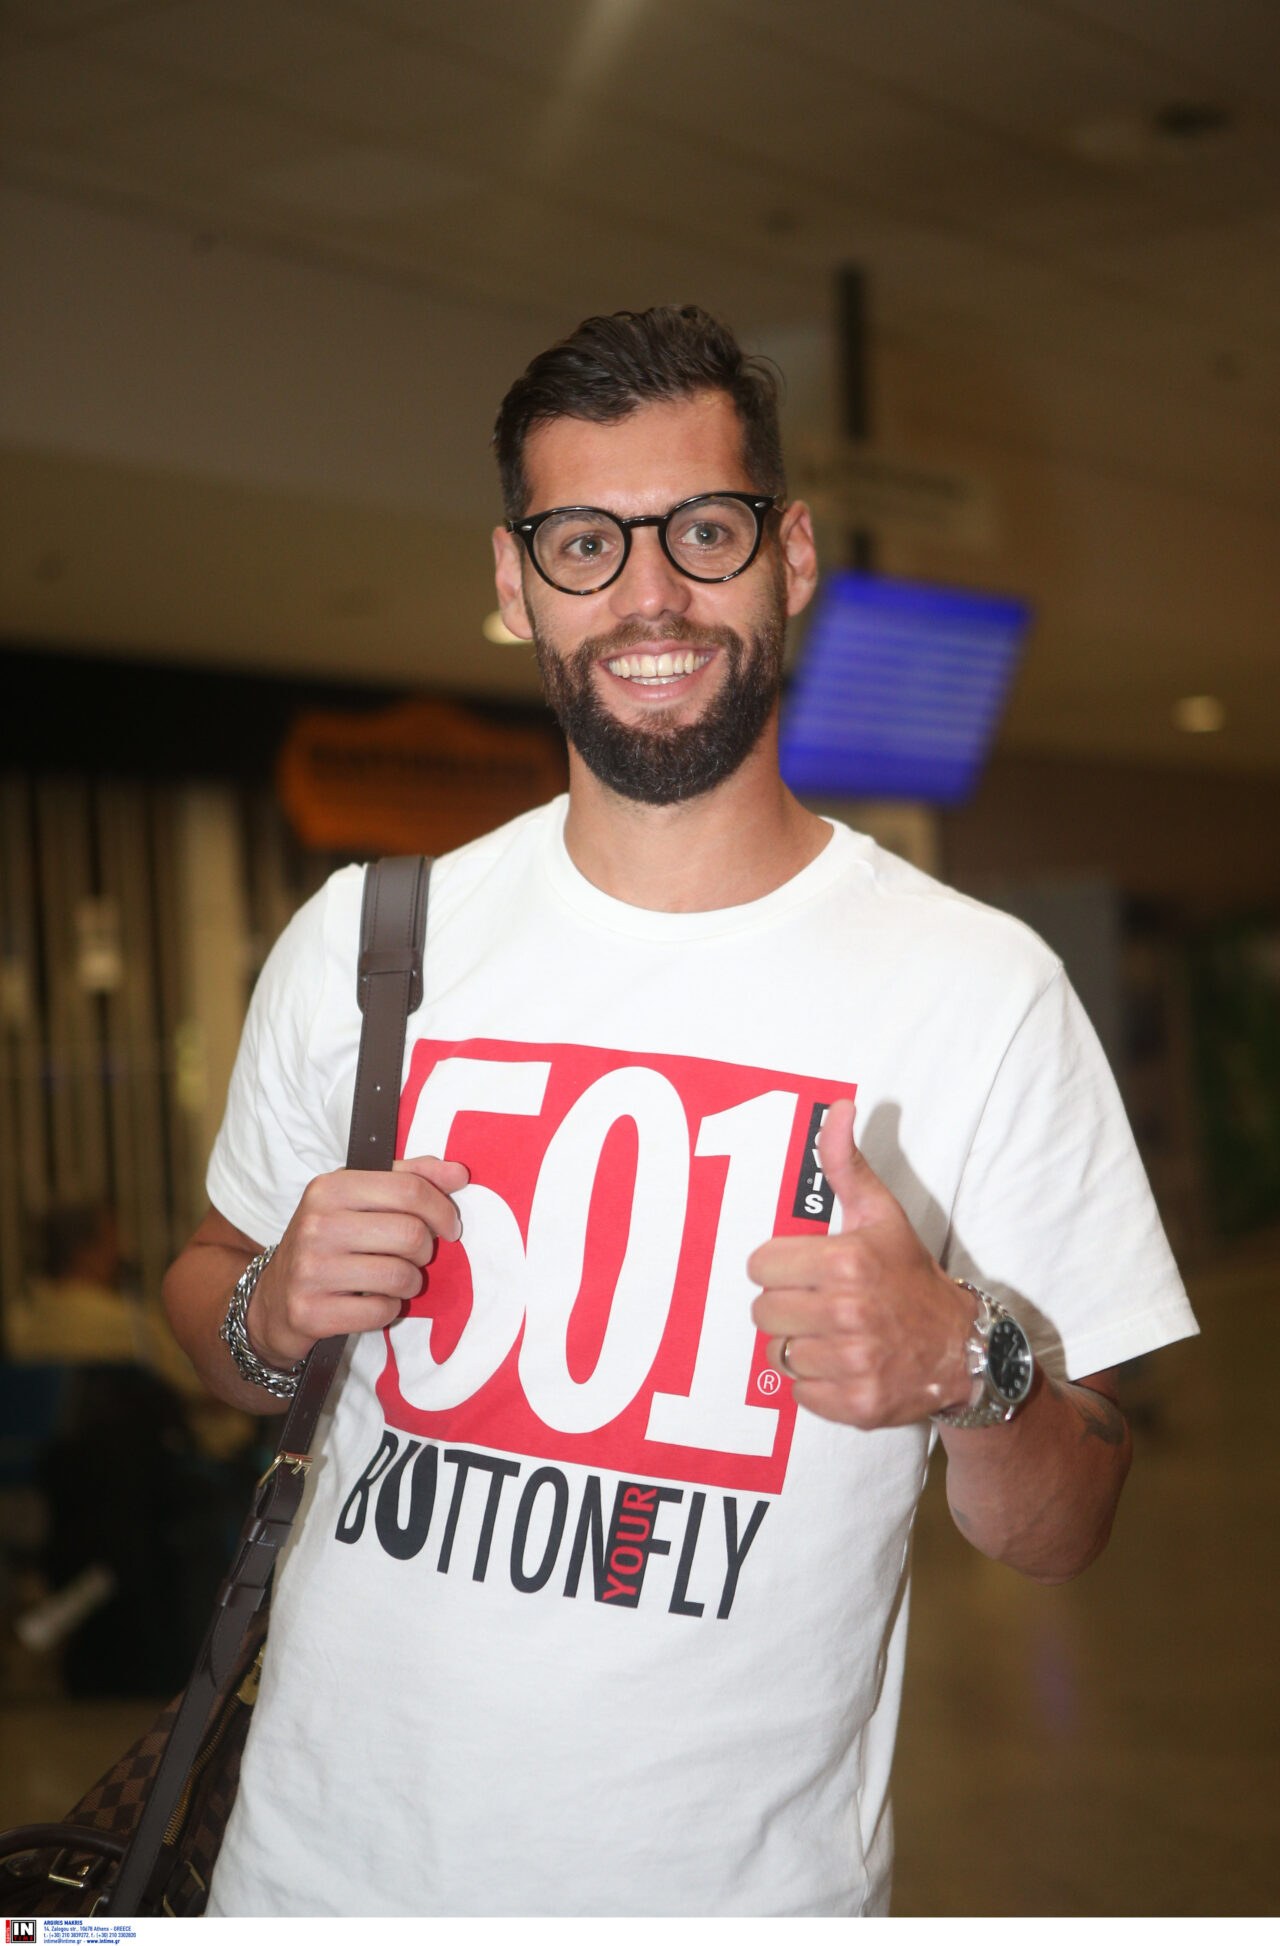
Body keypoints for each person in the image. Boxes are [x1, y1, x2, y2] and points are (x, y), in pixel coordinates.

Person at [164, 305, 1198, 1918]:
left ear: (791, 553)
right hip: (314, 1883)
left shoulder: (981, 989)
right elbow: (209, 1303)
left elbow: (1067, 1525)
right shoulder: (372, 939)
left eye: (702, 531)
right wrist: (270, 1306)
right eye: (587, 542)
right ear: (516, 582)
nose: (649, 595)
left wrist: (970, 1364)